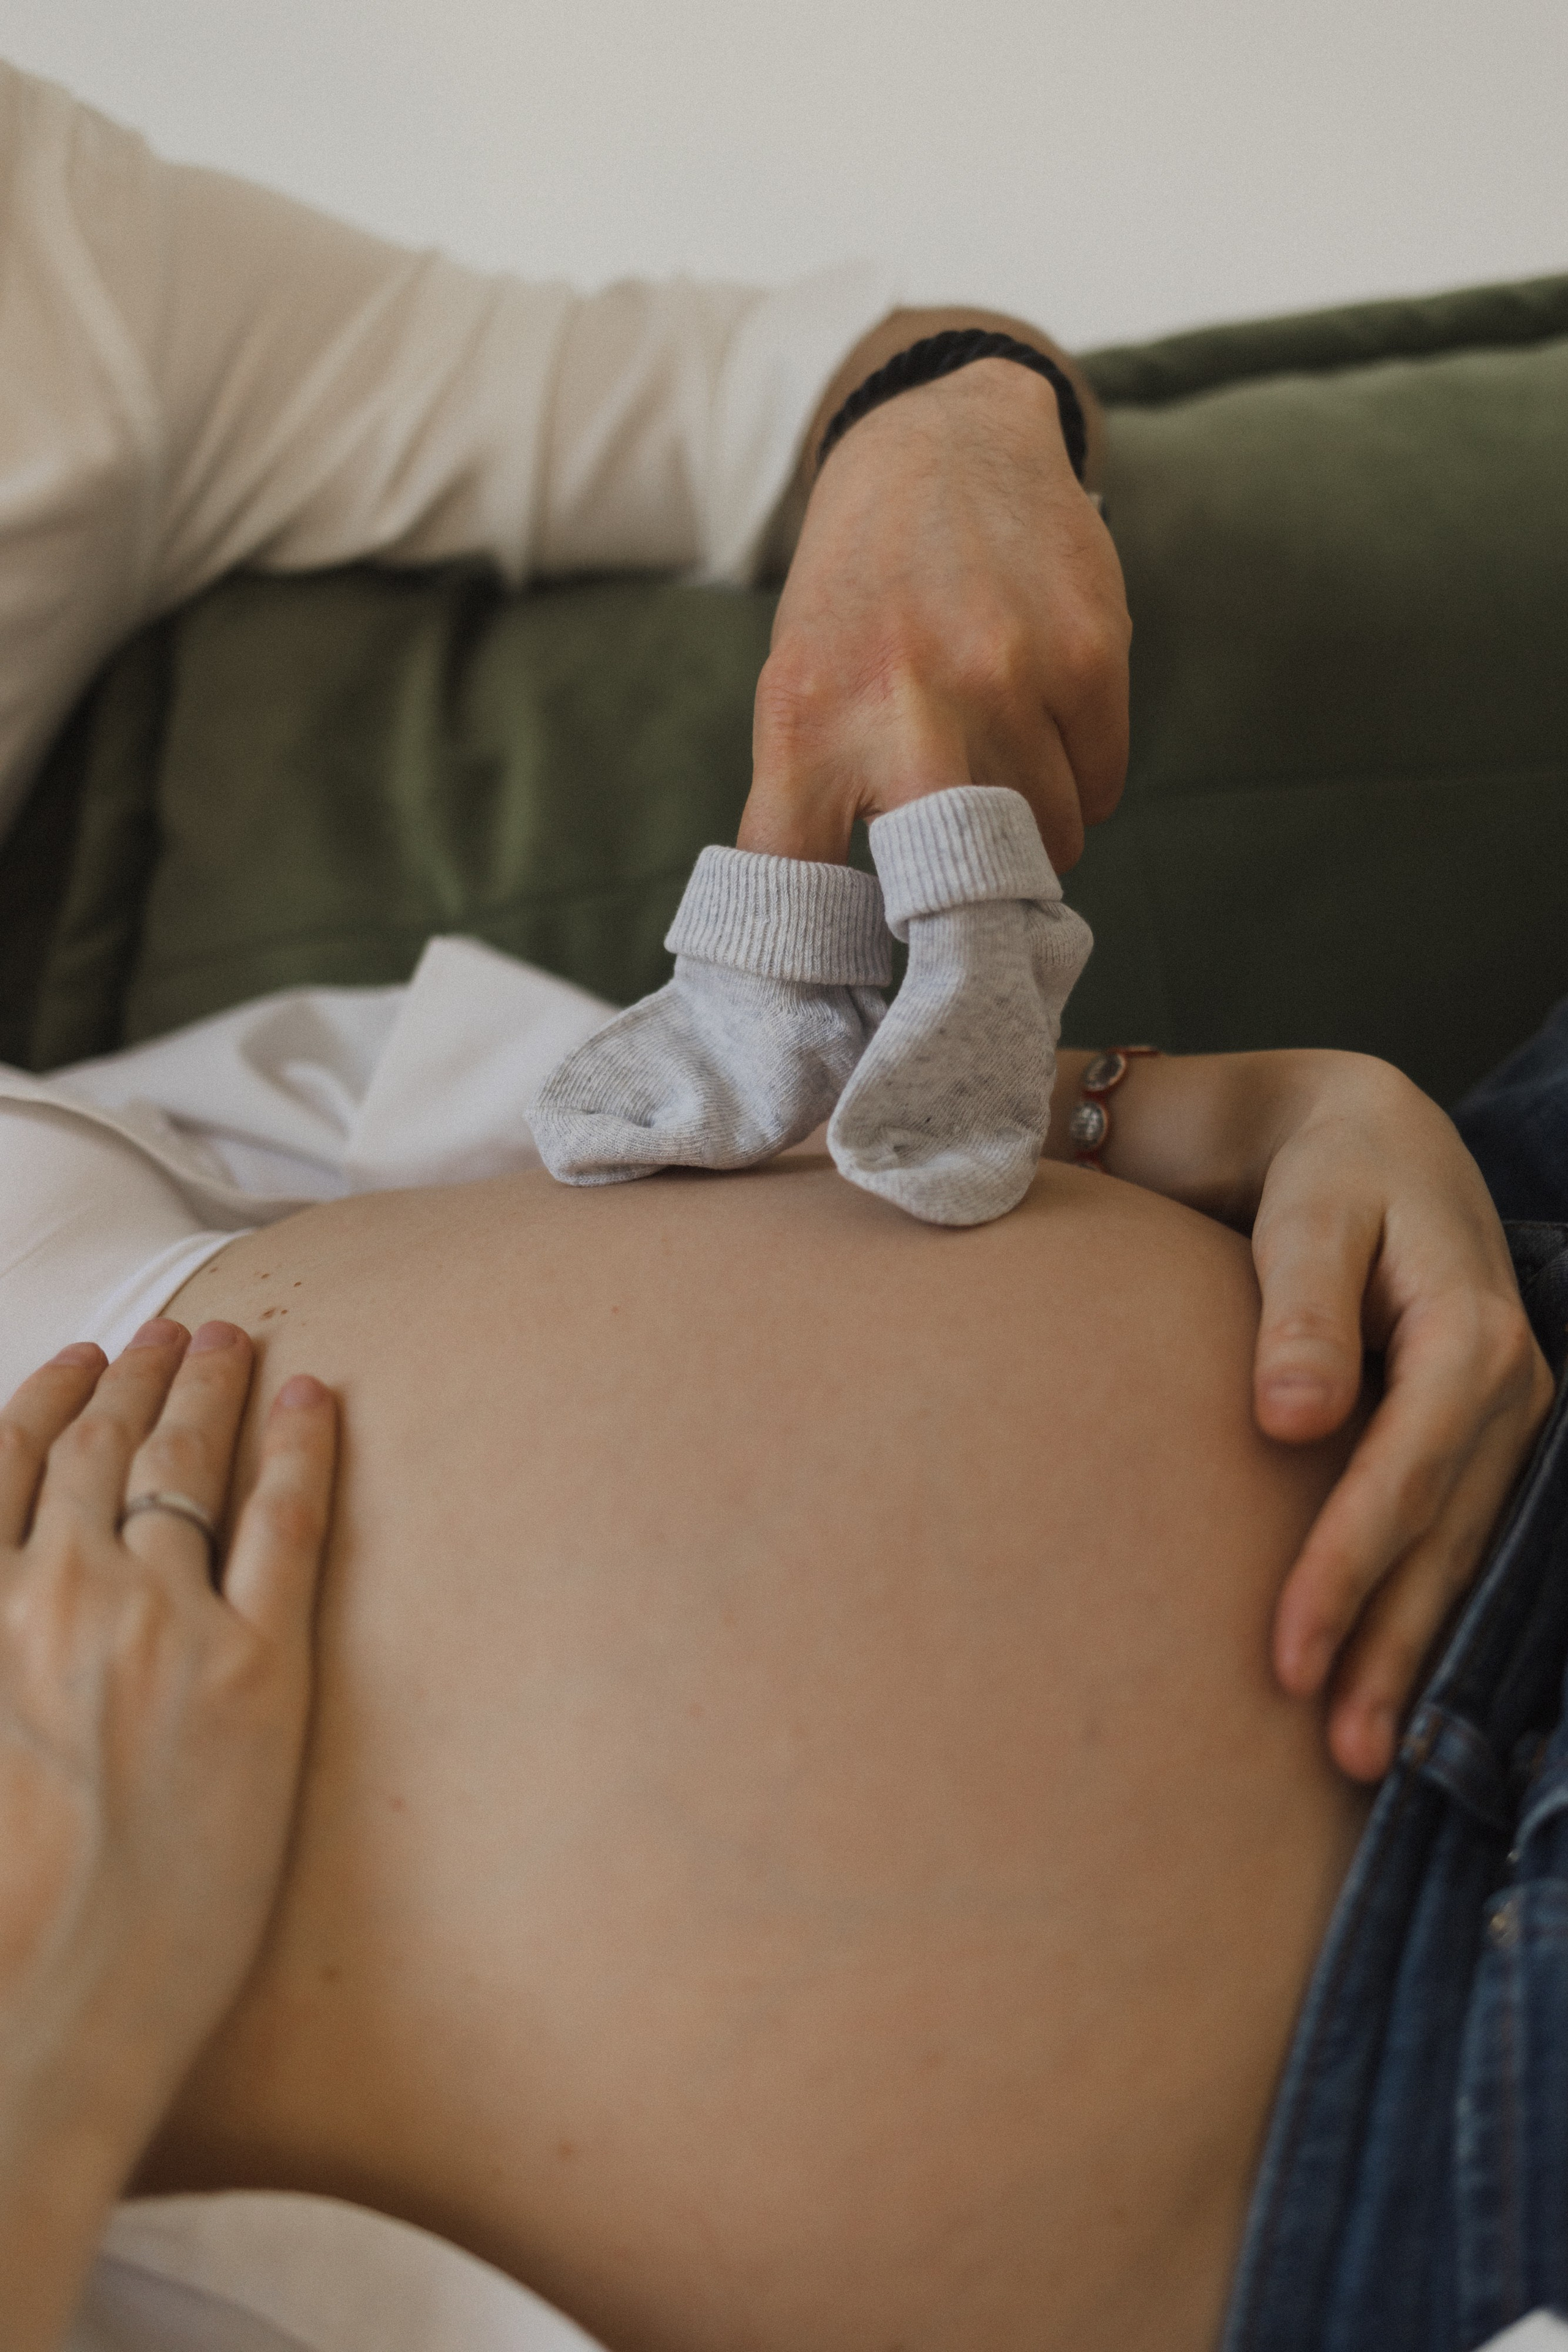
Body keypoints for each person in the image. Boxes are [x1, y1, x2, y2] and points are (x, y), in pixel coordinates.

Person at [0, 50, 1562, 2352]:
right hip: (1432, 2122)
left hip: (1488, 1307)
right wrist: (67, 2009)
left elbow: (634, 1119)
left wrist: (1216, 1116)